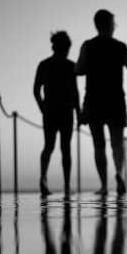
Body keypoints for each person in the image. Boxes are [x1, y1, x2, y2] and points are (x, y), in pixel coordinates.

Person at [76, 9, 127, 195]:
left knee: (98, 144)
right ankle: (119, 173)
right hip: (115, 101)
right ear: (110, 24)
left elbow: (79, 70)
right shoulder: (120, 47)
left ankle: (104, 186)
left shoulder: (88, 45)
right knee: (117, 143)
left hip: (93, 101)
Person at [33, 31, 80, 197]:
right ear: (66, 47)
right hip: (66, 111)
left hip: (50, 111)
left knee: (48, 145)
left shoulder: (44, 64)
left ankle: (43, 178)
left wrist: (42, 108)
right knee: (65, 149)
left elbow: (36, 90)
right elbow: (75, 93)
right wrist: (79, 114)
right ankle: (67, 186)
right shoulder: (70, 66)